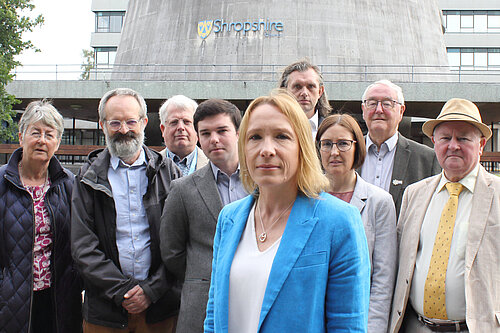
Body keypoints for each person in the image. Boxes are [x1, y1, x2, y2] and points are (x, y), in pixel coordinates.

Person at [204, 90, 370, 332]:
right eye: (255, 137)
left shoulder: (339, 220)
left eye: (281, 136)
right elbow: (213, 315)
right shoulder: (229, 218)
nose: (267, 149)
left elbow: (348, 325)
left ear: (302, 147)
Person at [71, 88, 182, 332]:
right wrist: (122, 291)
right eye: (115, 122)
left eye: (131, 121)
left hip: (160, 309)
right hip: (104, 312)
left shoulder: (169, 173)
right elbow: (83, 247)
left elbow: (179, 243)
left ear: (144, 122)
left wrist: (151, 291)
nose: (124, 130)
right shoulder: (86, 178)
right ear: (102, 125)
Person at [390, 98, 499, 332]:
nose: (453, 146)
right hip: (415, 325)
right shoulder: (414, 194)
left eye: (463, 138)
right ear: (433, 142)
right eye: (445, 138)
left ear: (481, 145)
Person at [160, 99, 247, 333]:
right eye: (206, 133)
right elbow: (171, 252)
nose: (214, 139)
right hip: (202, 303)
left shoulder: (262, 182)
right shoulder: (182, 189)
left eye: (222, 131)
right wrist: (200, 272)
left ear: (238, 133)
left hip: (254, 296)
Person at [0, 100, 82, 332]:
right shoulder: (2, 183)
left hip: (58, 299)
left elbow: (80, 241)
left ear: (57, 142)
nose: (42, 140)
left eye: (49, 134)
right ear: (21, 136)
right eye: (35, 132)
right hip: (9, 300)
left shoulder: (68, 184)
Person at [316, 113, 397, 333]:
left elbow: (383, 278)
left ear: (357, 148)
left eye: (343, 143)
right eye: (326, 144)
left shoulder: (379, 202)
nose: (334, 152)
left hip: (358, 321)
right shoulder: (303, 199)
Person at [360, 80, 441, 215]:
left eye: (387, 104)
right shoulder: (347, 152)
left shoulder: (427, 159)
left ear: (401, 111)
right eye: (372, 103)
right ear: (363, 110)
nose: (379, 110)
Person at [278, 59, 332, 137]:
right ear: (285, 91)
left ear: (320, 92)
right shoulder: (273, 128)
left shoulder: (331, 130)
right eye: (297, 86)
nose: (304, 93)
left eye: (310, 86)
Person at [158, 95, 208, 176]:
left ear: (197, 128)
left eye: (186, 122)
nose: (181, 127)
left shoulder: (214, 164)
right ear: (163, 129)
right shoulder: (150, 165)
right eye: (174, 122)